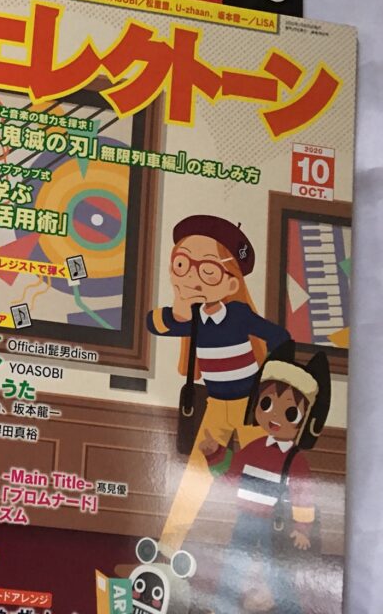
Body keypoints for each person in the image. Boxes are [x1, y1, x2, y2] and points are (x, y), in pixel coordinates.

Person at [145, 215, 290, 555]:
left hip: (251, 408)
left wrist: (273, 386)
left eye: (207, 270)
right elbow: (154, 324)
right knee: (195, 476)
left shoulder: (238, 314)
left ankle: (265, 551)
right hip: (215, 406)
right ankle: (167, 549)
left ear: (231, 283)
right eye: (182, 264)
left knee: (262, 476)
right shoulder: (195, 320)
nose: (192, 277)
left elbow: (280, 337)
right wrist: (179, 307)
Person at [206, 343, 331, 613]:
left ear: (305, 420)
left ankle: (291, 610)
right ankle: (222, 608)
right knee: (234, 567)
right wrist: (214, 454)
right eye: (267, 403)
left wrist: (302, 529)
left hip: (275, 526)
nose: (275, 415)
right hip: (245, 520)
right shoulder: (253, 448)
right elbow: (231, 476)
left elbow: (303, 497)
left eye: (289, 412)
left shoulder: (296, 460)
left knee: (277, 572)